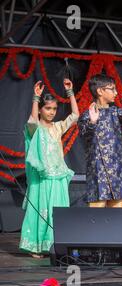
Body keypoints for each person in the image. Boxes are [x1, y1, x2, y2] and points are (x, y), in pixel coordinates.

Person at [20, 79, 79, 258]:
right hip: (42, 178)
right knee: (40, 209)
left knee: (57, 211)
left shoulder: (57, 127)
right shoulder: (35, 129)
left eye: (54, 109)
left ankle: (54, 245)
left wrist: (70, 93)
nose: (51, 112)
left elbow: (75, 115)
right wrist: (36, 98)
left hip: (58, 177)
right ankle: (36, 247)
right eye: (48, 108)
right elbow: (32, 120)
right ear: (41, 109)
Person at [78, 74, 122, 208]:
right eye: (112, 89)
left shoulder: (114, 112)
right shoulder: (87, 115)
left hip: (116, 170)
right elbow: (84, 134)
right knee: (96, 216)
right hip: (98, 170)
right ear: (100, 91)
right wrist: (92, 122)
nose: (116, 93)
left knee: (118, 214)